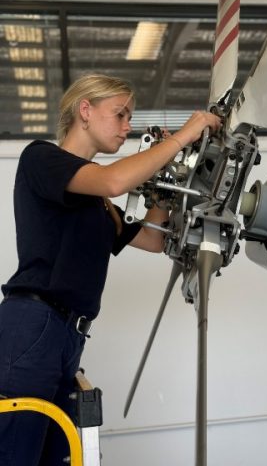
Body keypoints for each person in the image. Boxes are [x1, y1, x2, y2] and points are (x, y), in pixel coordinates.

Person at [0, 74, 222, 466]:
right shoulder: (41, 159)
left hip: (68, 335)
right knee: (15, 454)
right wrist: (182, 137)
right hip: (32, 326)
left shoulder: (98, 204)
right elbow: (116, 180)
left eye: (129, 117)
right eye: (120, 114)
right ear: (85, 110)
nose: (127, 126)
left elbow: (153, 239)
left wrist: (169, 179)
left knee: (53, 456)